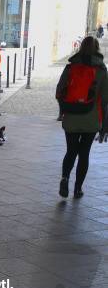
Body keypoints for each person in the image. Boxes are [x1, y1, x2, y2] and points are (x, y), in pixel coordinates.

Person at [56, 36, 108, 198]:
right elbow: (106, 99)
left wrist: (63, 110)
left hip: (71, 116)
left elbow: (59, 91)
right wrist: (105, 125)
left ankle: (64, 179)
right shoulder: (101, 70)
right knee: (84, 154)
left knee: (71, 151)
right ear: (97, 48)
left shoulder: (70, 67)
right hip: (91, 118)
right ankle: (78, 188)